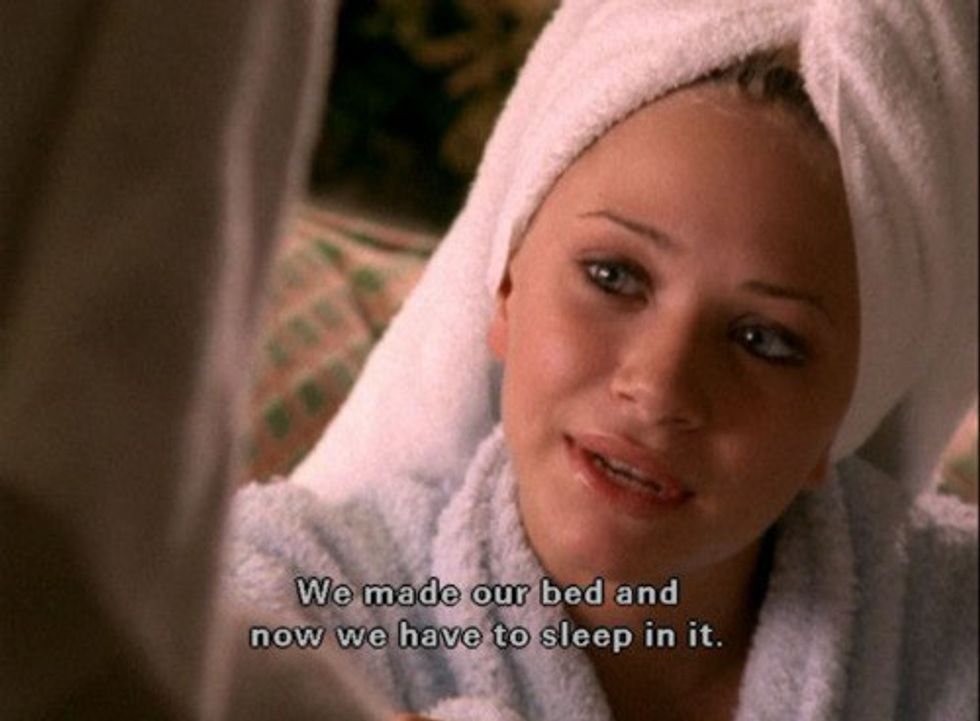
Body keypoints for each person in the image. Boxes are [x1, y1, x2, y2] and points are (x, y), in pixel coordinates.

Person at [226, 1, 978, 720]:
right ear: (506, 285)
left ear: (847, 412)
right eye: (613, 276)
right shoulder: (285, 599)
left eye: (764, 340)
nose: (658, 388)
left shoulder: (953, 642)